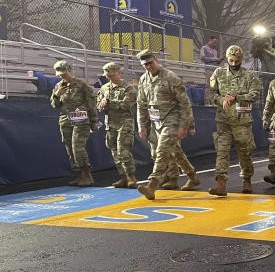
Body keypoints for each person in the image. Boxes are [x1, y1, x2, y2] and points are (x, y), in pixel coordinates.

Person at [135, 49, 194, 200]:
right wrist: (142, 125)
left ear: (156, 60)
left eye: (150, 63)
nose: (148, 66)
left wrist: (185, 125)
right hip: (156, 122)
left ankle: (152, 185)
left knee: (162, 151)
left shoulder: (170, 77)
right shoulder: (143, 80)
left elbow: (185, 103)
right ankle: (192, 176)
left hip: (172, 118)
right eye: (145, 64)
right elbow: (141, 104)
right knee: (169, 152)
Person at [208, 45, 261, 195]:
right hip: (223, 121)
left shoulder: (249, 76)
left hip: (242, 122)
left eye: (237, 60)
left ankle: (247, 180)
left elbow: (255, 94)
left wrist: (237, 98)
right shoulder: (218, 73)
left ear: (241, 60)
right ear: (226, 58)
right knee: (222, 152)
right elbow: (212, 93)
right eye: (231, 60)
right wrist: (221, 100)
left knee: (244, 153)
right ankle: (221, 184)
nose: (233, 63)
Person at [50, 60, 98, 187]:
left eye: (64, 73)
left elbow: (91, 103)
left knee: (77, 146)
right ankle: (79, 175)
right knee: (69, 148)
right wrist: (56, 95)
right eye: (60, 74)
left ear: (69, 70)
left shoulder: (81, 85)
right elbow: (55, 106)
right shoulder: (58, 86)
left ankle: (87, 174)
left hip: (81, 120)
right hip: (65, 120)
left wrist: (94, 121)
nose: (62, 76)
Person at [97, 62, 138, 188]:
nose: (110, 77)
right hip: (111, 124)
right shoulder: (104, 88)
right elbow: (98, 106)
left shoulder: (128, 88)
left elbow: (126, 105)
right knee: (114, 151)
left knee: (123, 151)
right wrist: (102, 105)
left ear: (118, 73)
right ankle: (123, 177)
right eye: (108, 75)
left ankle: (131, 177)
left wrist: (108, 103)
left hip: (124, 123)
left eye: (112, 75)